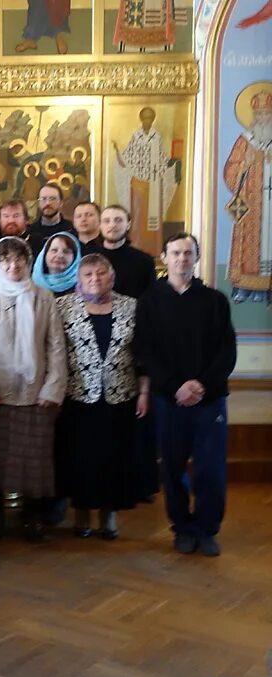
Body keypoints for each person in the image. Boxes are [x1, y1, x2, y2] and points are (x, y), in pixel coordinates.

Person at [135, 234, 236, 556]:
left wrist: (201, 385)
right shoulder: (150, 301)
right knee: (172, 466)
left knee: (210, 468)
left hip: (209, 399)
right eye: (175, 253)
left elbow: (226, 351)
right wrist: (174, 387)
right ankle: (182, 526)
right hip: (169, 399)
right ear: (164, 257)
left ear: (197, 257)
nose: (181, 259)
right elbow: (145, 351)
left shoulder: (215, 300)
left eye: (188, 253)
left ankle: (206, 529)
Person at [0, 237, 67, 542]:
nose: (13, 265)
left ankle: (32, 516)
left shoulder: (44, 297)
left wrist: (52, 388)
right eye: (6, 259)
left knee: (33, 458)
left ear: (28, 261)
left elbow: (56, 345)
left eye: (20, 259)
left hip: (35, 392)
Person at [56, 255, 145, 541]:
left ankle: (109, 514)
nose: (95, 278)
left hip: (120, 394)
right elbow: (54, 352)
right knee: (81, 458)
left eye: (101, 273)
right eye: (88, 274)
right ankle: (81, 512)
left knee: (113, 457)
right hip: (78, 395)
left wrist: (144, 391)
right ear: (79, 279)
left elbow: (144, 353)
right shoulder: (62, 307)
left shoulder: (131, 306)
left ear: (112, 276)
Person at [222, 90, 272, 303]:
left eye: (266, 114)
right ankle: (245, 288)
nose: (262, 118)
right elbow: (230, 171)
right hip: (252, 203)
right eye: (258, 114)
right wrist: (247, 162)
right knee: (249, 245)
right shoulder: (245, 140)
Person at [112, 107, 178, 255]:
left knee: (153, 217)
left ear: (153, 119)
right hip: (137, 183)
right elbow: (128, 157)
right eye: (145, 118)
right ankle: (136, 248)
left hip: (154, 183)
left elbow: (162, 158)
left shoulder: (156, 137)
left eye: (150, 118)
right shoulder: (136, 136)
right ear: (141, 119)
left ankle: (153, 250)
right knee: (138, 216)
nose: (147, 121)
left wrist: (172, 164)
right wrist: (118, 152)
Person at [91, 204, 156, 299]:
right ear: (100, 226)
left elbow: (150, 299)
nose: (112, 225)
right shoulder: (88, 257)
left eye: (118, 220)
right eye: (106, 221)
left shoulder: (144, 260)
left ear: (128, 225)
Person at [32, 231, 81, 297]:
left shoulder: (83, 287)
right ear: (44, 254)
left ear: (75, 258)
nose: (59, 255)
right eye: (54, 250)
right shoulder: (29, 286)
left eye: (66, 252)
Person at [29, 183, 73, 254]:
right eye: (43, 199)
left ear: (61, 202)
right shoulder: (30, 232)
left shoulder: (71, 230)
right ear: (38, 203)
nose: (48, 203)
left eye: (52, 199)